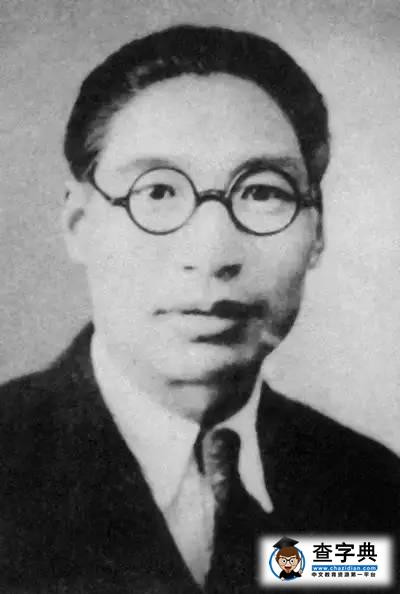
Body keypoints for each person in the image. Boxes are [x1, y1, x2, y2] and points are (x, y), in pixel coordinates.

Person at [0, 24, 399, 594]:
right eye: (158, 192)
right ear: (78, 224)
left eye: (262, 192)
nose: (212, 254)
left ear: (317, 232)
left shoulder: (374, 492)